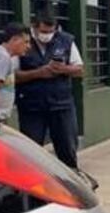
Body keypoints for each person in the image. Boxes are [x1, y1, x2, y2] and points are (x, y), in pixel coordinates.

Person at [16, 9, 84, 169]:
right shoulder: (23, 41)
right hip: (31, 106)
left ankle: (69, 184)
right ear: (34, 27)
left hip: (61, 105)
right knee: (31, 152)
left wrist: (63, 69)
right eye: (43, 31)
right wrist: (39, 73)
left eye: (51, 31)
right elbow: (13, 76)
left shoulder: (66, 40)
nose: (47, 35)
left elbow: (80, 69)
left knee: (67, 149)